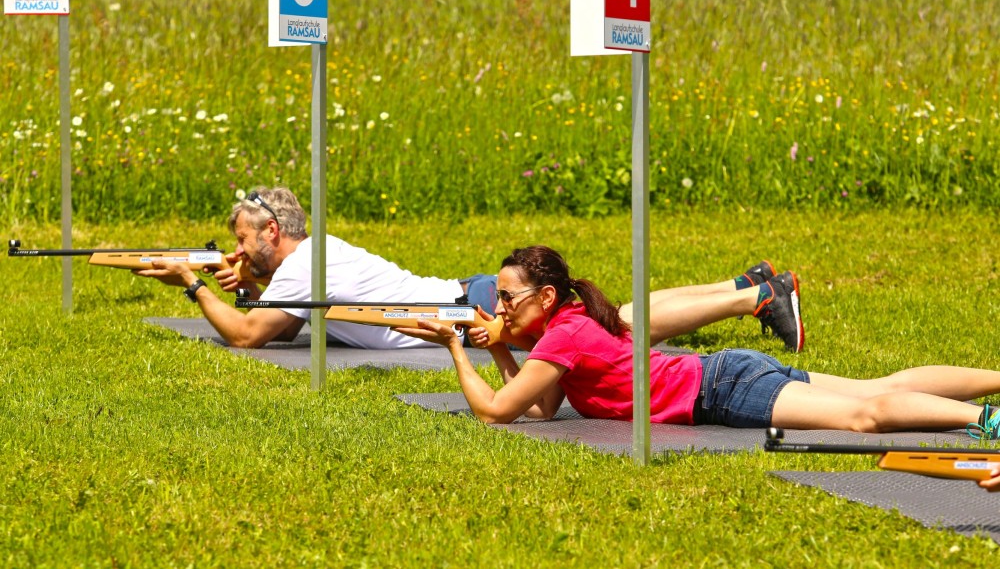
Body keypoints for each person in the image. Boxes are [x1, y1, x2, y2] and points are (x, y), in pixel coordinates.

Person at [394, 245, 1000, 444]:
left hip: (722, 389)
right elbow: (543, 406)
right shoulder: (570, 324)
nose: (500, 309)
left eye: (507, 300)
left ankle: (984, 418)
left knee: (866, 415)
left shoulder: (567, 334)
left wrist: (454, 345)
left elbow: (498, 412)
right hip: (724, 374)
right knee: (882, 388)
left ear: (544, 300)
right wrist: (499, 346)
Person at [134, 186, 803, 351]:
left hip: (475, 307)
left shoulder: (304, 266)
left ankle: (752, 301)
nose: (236, 250)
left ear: (272, 233)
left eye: (243, 240)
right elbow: (277, 319)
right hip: (470, 295)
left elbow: (251, 336)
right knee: (614, 312)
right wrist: (248, 285)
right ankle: (746, 284)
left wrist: (190, 283)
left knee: (618, 328)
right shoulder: (310, 258)